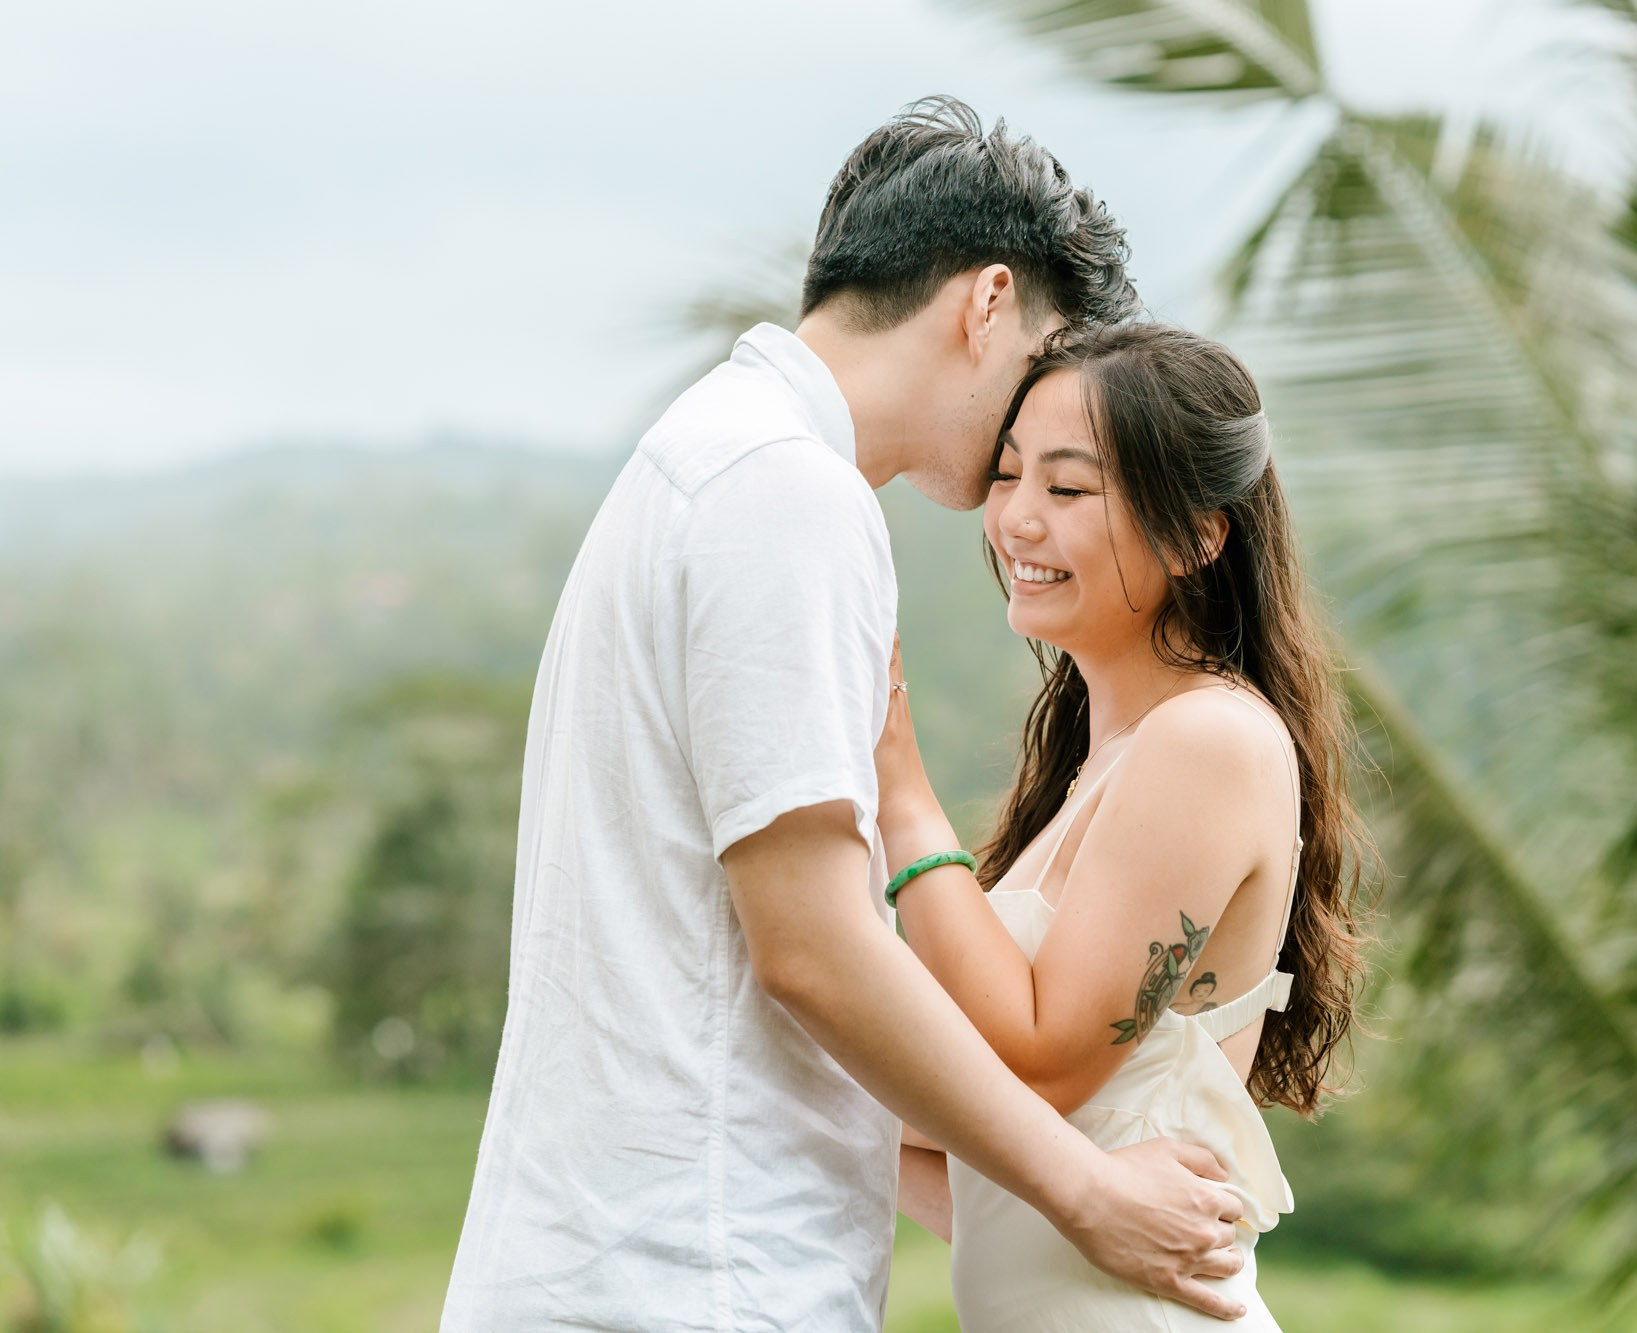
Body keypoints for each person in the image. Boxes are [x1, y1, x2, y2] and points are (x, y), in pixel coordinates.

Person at [439, 97, 1253, 1331]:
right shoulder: (789, 493)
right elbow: (813, 947)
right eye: (1039, 360)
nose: (1024, 428)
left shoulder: (697, 457)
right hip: (693, 1275)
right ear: (986, 303)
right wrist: (1085, 1191)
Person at [874, 322, 1374, 1330]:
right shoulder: (1101, 765)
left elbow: (1039, 1063)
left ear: (1196, 536)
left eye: (1067, 488)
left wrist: (900, 787)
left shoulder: (1208, 741)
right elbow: (990, 1159)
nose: (1016, 518)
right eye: (1007, 475)